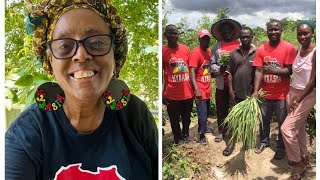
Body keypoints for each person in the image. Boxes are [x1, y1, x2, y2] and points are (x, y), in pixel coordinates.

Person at [5, 0, 158, 179]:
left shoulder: (135, 115)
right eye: (64, 46)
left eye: (97, 43)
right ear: (50, 62)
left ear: (114, 55)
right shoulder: (27, 133)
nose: (81, 55)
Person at [251, 19, 296, 161]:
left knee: (282, 123)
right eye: (271, 29)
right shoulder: (261, 49)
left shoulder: (289, 48)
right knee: (264, 120)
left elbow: (289, 71)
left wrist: (272, 70)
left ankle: (281, 148)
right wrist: (256, 91)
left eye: (276, 29)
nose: (274, 32)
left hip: (282, 95)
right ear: (267, 32)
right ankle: (264, 141)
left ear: (281, 30)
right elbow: (258, 71)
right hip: (265, 94)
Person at [281, 20, 316, 180]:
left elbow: (314, 81)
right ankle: (304, 156)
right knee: (298, 127)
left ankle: (297, 163)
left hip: (307, 94)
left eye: (306, 33)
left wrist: (298, 99)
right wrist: (292, 96)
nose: (302, 36)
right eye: (300, 33)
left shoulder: (316, 52)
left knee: (286, 129)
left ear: (312, 33)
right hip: (293, 92)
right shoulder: (298, 50)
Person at [222, 27, 256, 156]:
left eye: (247, 37)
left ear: (251, 37)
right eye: (243, 37)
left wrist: (256, 91)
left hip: (250, 95)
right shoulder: (233, 53)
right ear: (240, 38)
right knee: (233, 119)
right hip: (236, 93)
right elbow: (229, 73)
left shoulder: (257, 53)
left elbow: (258, 73)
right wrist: (230, 90)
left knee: (249, 120)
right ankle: (231, 143)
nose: (245, 39)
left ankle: (247, 141)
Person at [210, 18, 241, 143]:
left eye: (229, 30)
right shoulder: (217, 47)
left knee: (236, 108)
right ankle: (222, 131)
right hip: (221, 84)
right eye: (224, 31)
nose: (226, 32)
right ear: (221, 33)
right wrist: (219, 69)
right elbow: (211, 63)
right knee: (221, 108)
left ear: (233, 31)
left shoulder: (239, 45)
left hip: (236, 84)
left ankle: (235, 131)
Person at [162, 24, 193, 144]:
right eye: (171, 33)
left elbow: (191, 70)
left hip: (187, 92)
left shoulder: (185, 49)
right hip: (171, 93)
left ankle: (185, 135)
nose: (174, 36)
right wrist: (162, 94)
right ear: (166, 35)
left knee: (187, 118)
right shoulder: (163, 51)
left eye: (175, 33)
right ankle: (177, 138)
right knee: (174, 120)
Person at [189, 29, 212, 144]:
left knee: (206, 112)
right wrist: (196, 89)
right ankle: (201, 135)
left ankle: (204, 128)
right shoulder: (196, 53)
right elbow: (191, 71)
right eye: (203, 38)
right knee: (202, 113)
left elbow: (209, 68)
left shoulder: (209, 51)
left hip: (207, 87)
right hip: (200, 88)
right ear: (199, 39)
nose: (205, 40)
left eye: (207, 38)